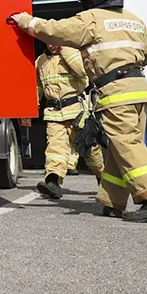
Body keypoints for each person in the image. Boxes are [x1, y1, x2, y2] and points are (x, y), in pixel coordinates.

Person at [10, 0, 147, 223]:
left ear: (89, 1)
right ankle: (112, 202)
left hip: (116, 92)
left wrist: (26, 22)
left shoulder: (91, 19)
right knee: (119, 147)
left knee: (127, 144)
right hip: (138, 88)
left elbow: (55, 31)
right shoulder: (132, 19)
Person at [34, 44, 104, 200]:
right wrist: (34, 102)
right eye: (48, 41)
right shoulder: (41, 60)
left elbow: (83, 72)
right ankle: (53, 182)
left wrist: (65, 49)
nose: (52, 45)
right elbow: (38, 85)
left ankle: (103, 177)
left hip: (77, 112)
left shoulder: (73, 53)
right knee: (55, 147)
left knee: (90, 150)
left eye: (55, 40)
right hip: (54, 114)